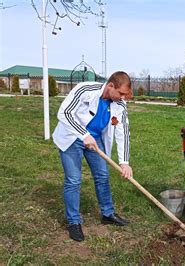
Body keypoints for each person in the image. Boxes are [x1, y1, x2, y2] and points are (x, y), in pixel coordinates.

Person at [52, 71, 133, 242]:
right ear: (111, 85)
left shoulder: (120, 105)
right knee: (74, 180)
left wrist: (124, 162)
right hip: (72, 137)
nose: (123, 98)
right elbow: (64, 113)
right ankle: (74, 222)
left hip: (95, 140)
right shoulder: (85, 89)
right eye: (121, 93)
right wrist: (83, 135)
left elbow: (123, 132)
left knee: (102, 175)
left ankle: (107, 213)